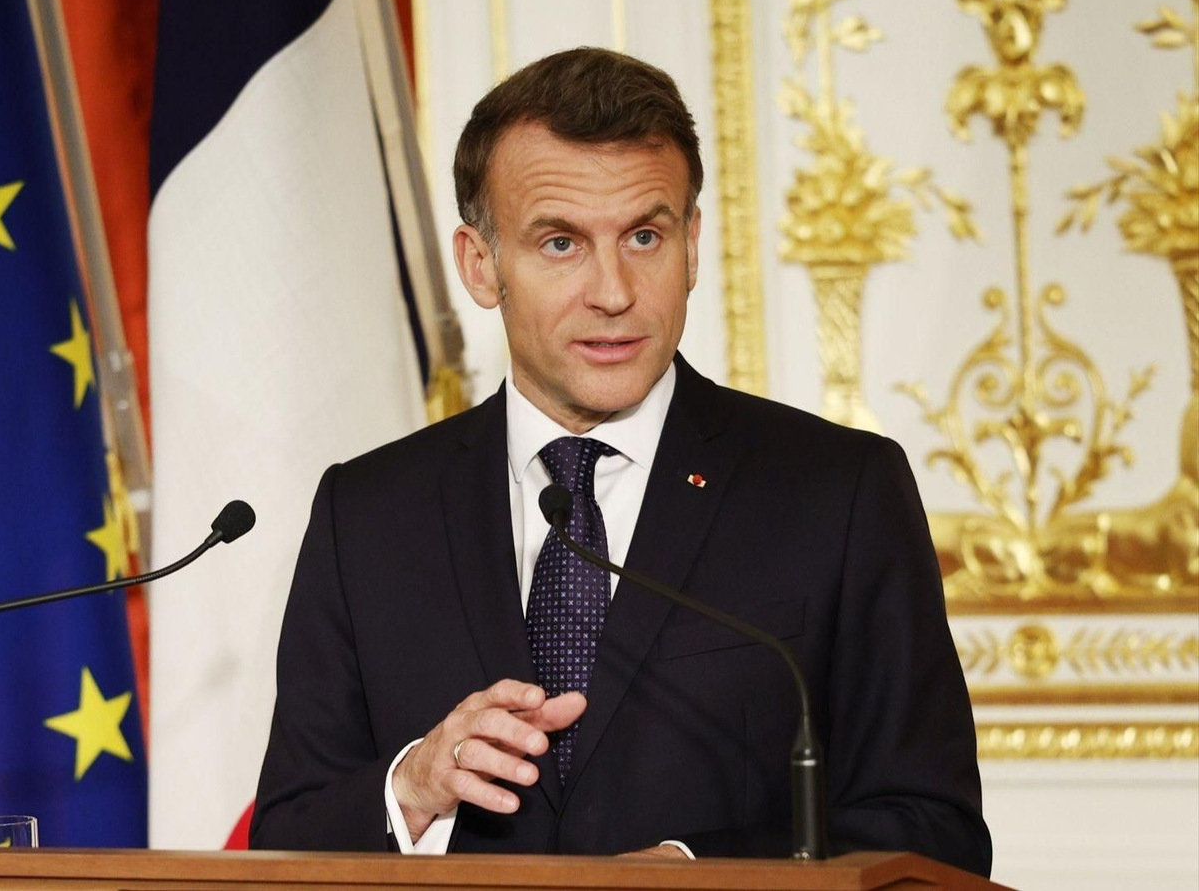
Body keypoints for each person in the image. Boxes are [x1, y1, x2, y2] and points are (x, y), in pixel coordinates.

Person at [249, 47, 990, 875]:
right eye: (561, 243)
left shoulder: (838, 492)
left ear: (692, 243)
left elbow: (935, 827)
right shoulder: (367, 513)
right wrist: (413, 789)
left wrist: (696, 870)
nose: (614, 291)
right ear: (480, 265)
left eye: (644, 235)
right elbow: (283, 841)